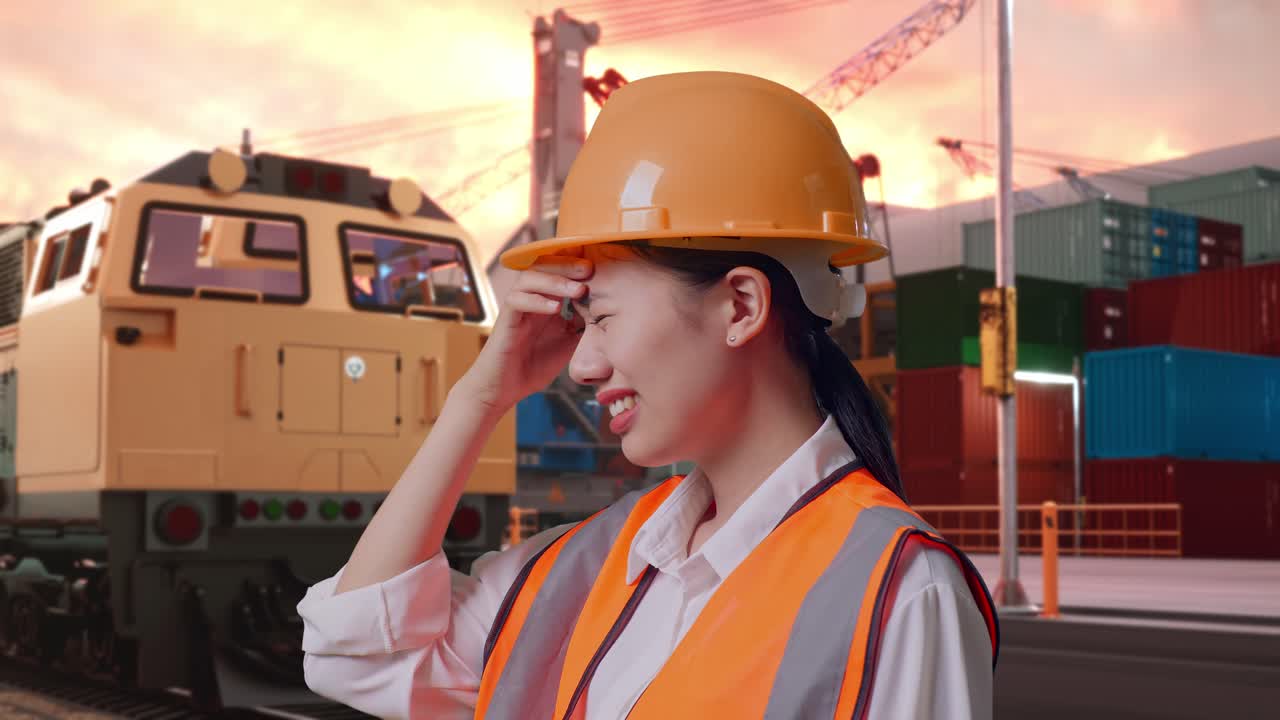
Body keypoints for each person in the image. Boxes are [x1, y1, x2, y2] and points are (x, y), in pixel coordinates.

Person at [297, 71, 999, 719]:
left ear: (741, 306)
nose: (581, 366)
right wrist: (478, 398)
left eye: (601, 318)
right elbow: (357, 651)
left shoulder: (900, 589)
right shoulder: (595, 560)